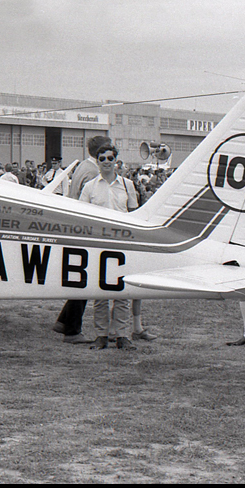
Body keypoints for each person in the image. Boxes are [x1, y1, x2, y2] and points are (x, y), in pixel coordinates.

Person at [52, 135, 111, 345]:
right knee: (86, 280)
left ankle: (64, 321)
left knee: (82, 278)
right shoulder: (94, 172)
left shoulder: (82, 167)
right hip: (87, 231)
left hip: (76, 227)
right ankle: (72, 329)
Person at [78, 142, 138, 350]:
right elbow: (83, 218)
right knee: (100, 292)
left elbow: (133, 214)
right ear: (97, 161)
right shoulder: (90, 187)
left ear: (116, 161)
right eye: (101, 159)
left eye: (109, 158)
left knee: (122, 292)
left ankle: (122, 336)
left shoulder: (127, 185)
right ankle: (101, 335)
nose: (106, 162)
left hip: (122, 244)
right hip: (99, 245)